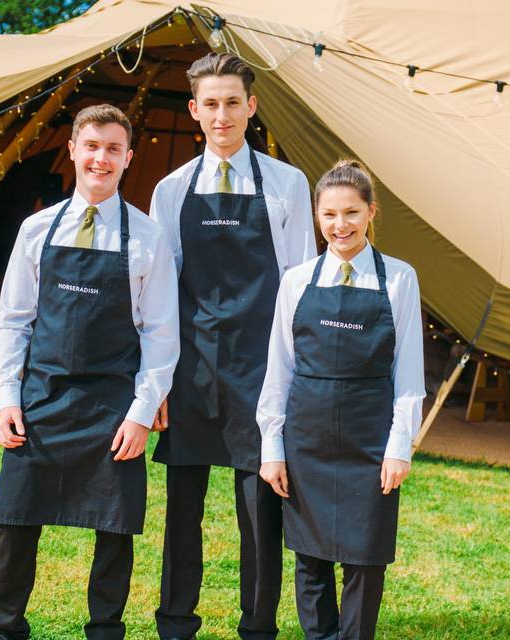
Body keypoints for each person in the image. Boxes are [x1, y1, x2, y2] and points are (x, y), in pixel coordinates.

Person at [0, 104, 179, 640]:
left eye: (113, 149)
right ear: (72, 150)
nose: (101, 158)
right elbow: (15, 323)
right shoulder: (35, 230)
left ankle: (104, 631)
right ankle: (4, 630)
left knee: (115, 531)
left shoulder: (148, 238)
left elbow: (161, 339)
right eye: (91, 146)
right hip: (41, 399)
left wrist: (141, 414)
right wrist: (8, 398)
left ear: (128, 158)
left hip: (112, 409)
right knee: (14, 523)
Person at [148, 52, 316, 640]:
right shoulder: (170, 191)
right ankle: (175, 625)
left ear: (252, 106)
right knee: (182, 515)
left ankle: (258, 628)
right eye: (210, 104)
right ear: (194, 111)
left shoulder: (288, 183)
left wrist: (294, 385)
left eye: (232, 103)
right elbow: (161, 296)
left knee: (260, 515)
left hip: (261, 373)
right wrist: (158, 383)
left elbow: (298, 287)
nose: (222, 115)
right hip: (191, 372)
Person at [257, 160, 425, 639]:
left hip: (369, 442)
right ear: (316, 215)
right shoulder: (296, 281)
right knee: (309, 558)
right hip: (306, 440)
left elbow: (407, 372)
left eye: (351, 213)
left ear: (372, 212)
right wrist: (272, 447)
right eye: (329, 215)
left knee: (365, 559)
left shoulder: (399, 280)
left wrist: (399, 445)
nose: (340, 225)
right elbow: (279, 369)